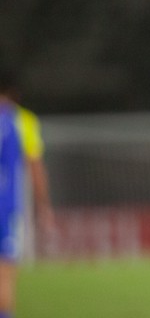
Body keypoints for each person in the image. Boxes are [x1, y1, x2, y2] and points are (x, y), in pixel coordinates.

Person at [0, 72, 55, 318]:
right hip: (6, 207)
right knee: (5, 273)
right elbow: (35, 167)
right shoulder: (22, 120)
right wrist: (43, 205)